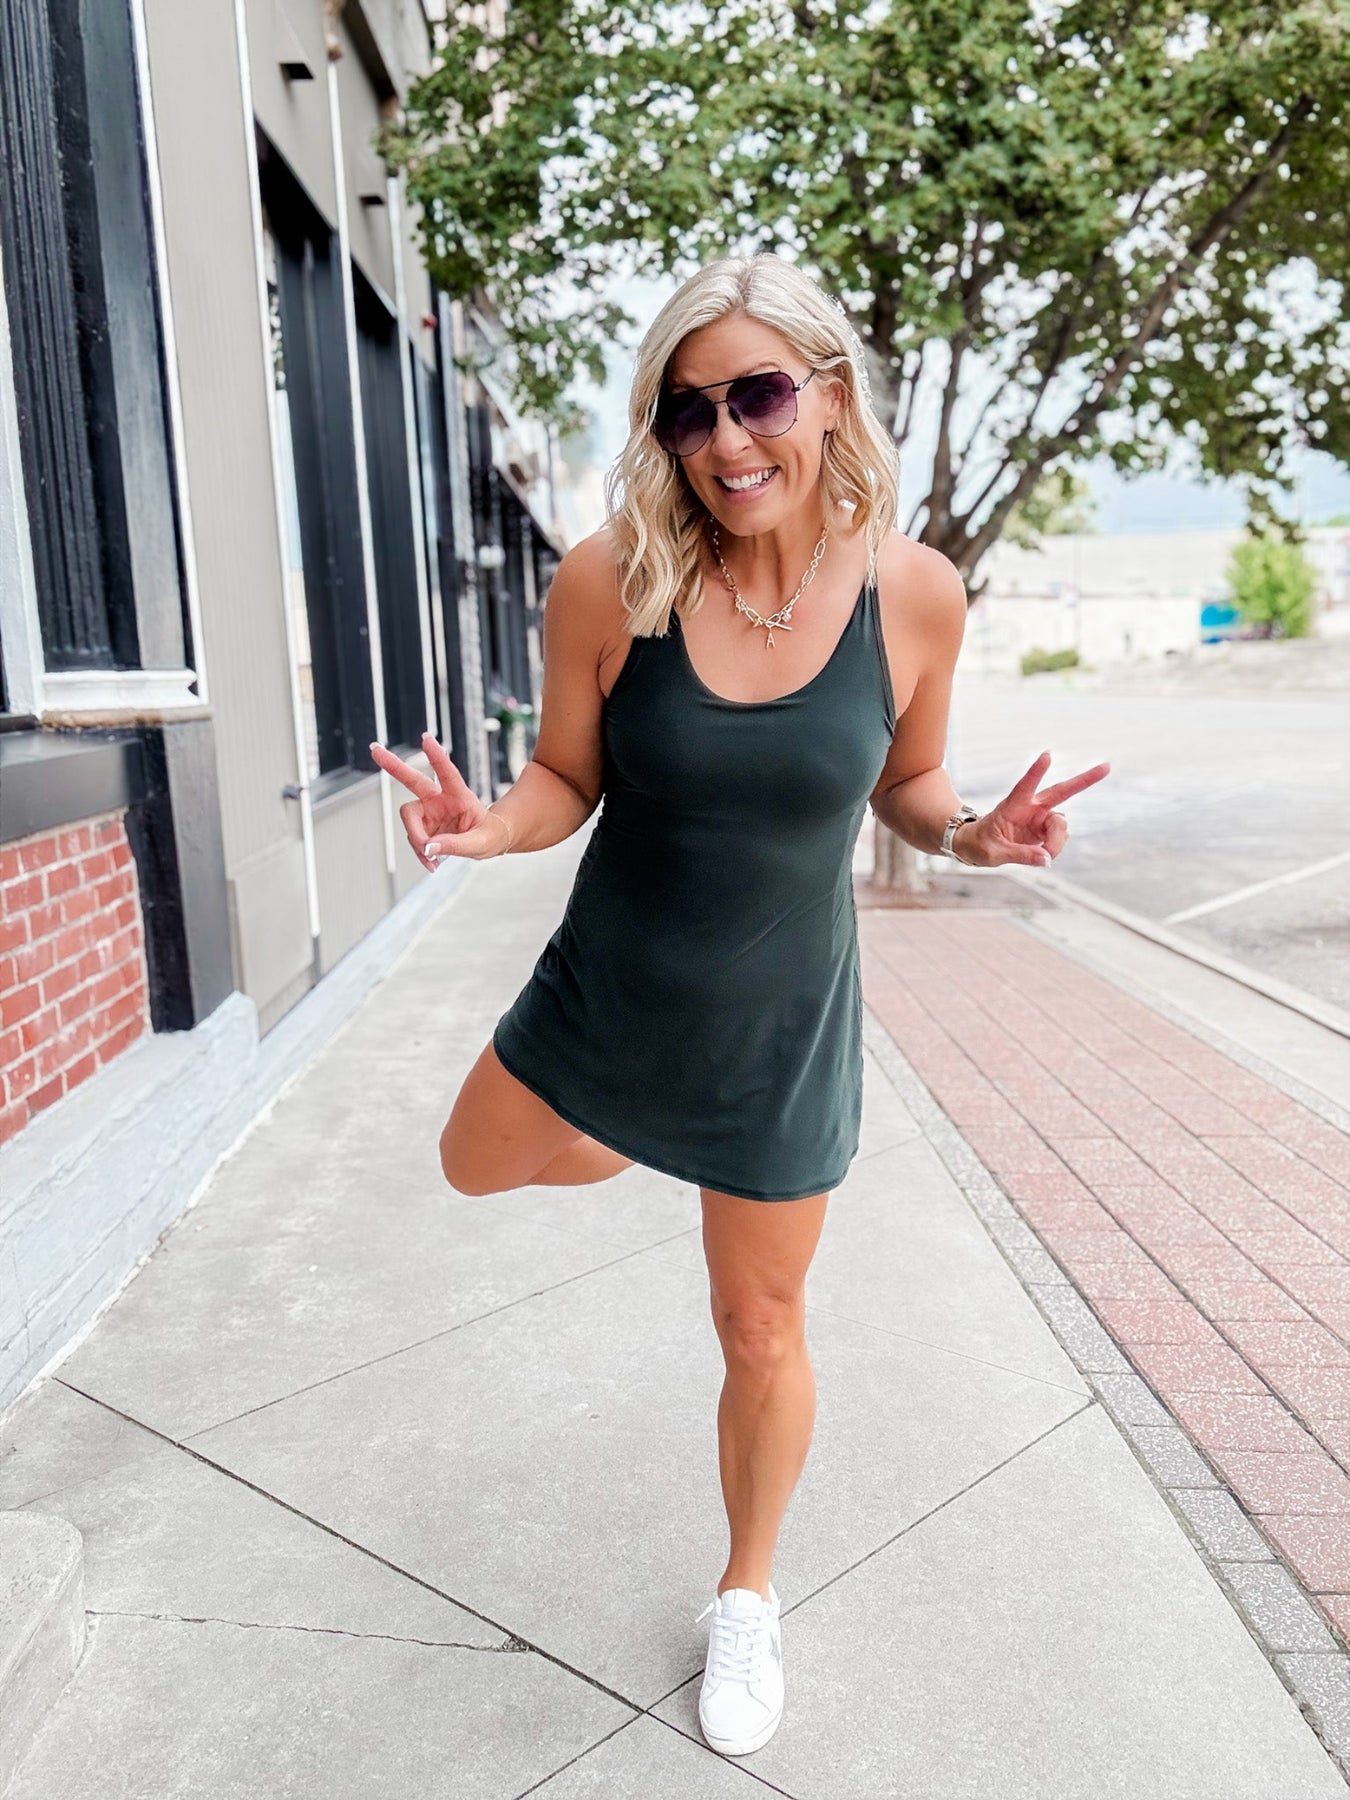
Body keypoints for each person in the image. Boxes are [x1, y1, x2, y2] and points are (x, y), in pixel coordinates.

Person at [370, 254, 1110, 1759]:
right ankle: (641, 1130)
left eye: (759, 395)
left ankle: (748, 1594)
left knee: (760, 1325)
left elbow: (908, 781)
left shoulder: (914, 592)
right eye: (687, 410)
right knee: (473, 1159)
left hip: (784, 1025)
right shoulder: (612, 578)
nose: (726, 439)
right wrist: (484, 829)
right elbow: (564, 777)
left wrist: (976, 834)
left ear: (828, 397)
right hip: (613, 991)